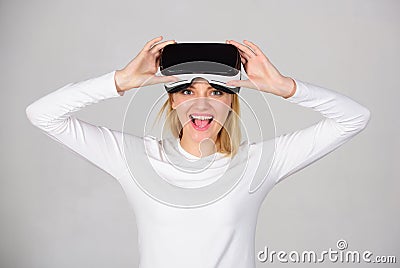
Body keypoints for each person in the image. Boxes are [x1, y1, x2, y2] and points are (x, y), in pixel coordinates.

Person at [25, 36, 371, 268]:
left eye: (217, 93)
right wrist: (120, 81)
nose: (202, 104)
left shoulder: (257, 163)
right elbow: (42, 114)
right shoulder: (135, 159)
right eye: (188, 91)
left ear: (231, 102)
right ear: (172, 99)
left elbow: (355, 118)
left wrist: (285, 88)